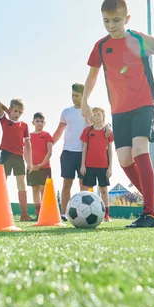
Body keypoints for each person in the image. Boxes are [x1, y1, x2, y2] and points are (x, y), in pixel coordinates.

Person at [81, 0, 154, 228]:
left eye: (116, 20)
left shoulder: (139, 39)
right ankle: (151, 200)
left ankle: (150, 214)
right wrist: (85, 100)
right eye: (106, 21)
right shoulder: (101, 46)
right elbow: (92, 75)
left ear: (127, 18)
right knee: (124, 158)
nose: (111, 26)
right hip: (118, 109)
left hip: (143, 103)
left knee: (139, 149)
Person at [52, 83, 111, 220]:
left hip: (85, 154)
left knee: (84, 184)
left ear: (84, 96)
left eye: (77, 96)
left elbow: (100, 123)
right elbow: (59, 131)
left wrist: (108, 125)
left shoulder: (89, 111)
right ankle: (64, 214)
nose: (74, 98)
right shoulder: (66, 112)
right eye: (72, 95)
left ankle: (86, 213)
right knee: (67, 183)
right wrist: (50, 145)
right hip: (68, 152)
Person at [0, 99, 33, 221]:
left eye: (20, 112)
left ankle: (24, 215)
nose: (17, 114)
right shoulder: (5, 121)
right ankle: (0, 212)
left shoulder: (24, 125)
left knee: (21, 185)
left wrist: (30, 162)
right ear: (11, 110)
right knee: (2, 183)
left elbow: (28, 145)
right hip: (6, 155)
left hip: (18, 157)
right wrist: (8, 112)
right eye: (15, 111)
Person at [80, 107, 114, 222]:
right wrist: (82, 165)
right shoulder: (88, 131)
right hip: (89, 165)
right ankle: (89, 212)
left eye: (98, 114)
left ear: (103, 116)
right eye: (94, 115)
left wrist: (110, 167)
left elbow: (110, 150)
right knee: (89, 189)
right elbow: (84, 148)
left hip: (103, 166)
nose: (96, 117)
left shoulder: (107, 132)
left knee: (104, 190)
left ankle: (106, 215)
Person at [27, 112, 53, 219]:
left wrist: (41, 164)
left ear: (44, 123)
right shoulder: (28, 137)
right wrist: (30, 164)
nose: (39, 123)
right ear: (33, 122)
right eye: (37, 121)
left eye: (42, 121)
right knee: (35, 189)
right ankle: (38, 215)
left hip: (45, 168)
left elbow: (49, 152)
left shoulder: (47, 135)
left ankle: (44, 214)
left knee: (44, 189)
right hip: (31, 167)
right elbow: (26, 151)